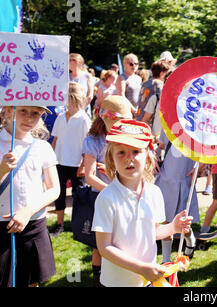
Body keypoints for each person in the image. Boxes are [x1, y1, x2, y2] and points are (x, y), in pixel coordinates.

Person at [92, 119, 193, 287]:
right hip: (115, 283)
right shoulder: (107, 198)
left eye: (135, 151)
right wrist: (141, 268)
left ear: (147, 156)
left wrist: (173, 227)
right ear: (111, 158)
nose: (128, 158)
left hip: (146, 281)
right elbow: (104, 247)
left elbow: (152, 232)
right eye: (121, 152)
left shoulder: (154, 193)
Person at [0, 105, 60, 287]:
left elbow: (54, 189)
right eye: (23, 111)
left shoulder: (42, 147)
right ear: (9, 110)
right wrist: (2, 169)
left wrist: (28, 211)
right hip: (2, 226)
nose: (29, 118)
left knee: (31, 281)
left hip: (33, 225)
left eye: (35, 113)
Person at [81, 95, 133, 286]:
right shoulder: (93, 141)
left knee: (122, 240)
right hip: (102, 197)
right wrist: (113, 190)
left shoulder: (127, 137)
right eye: (118, 121)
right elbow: (89, 176)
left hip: (126, 196)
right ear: (105, 119)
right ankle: (98, 278)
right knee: (100, 244)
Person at [50, 82, 91, 237]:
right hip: (59, 161)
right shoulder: (60, 117)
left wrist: (83, 164)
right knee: (58, 193)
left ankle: (77, 223)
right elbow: (55, 140)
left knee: (78, 195)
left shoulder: (84, 119)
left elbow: (87, 144)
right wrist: (51, 159)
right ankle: (59, 223)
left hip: (76, 163)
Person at [155, 129, 201, 263]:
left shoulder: (197, 128)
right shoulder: (168, 125)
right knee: (165, 221)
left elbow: (205, 151)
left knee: (183, 222)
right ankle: (166, 260)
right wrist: (152, 157)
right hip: (166, 179)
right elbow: (161, 146)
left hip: (184, 179)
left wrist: (201, 165)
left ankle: (190, 239)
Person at [140, 60, 171, 132]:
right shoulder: (159, 85)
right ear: (161, 73)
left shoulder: (145, 83)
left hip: (141, 117)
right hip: (151, 122)